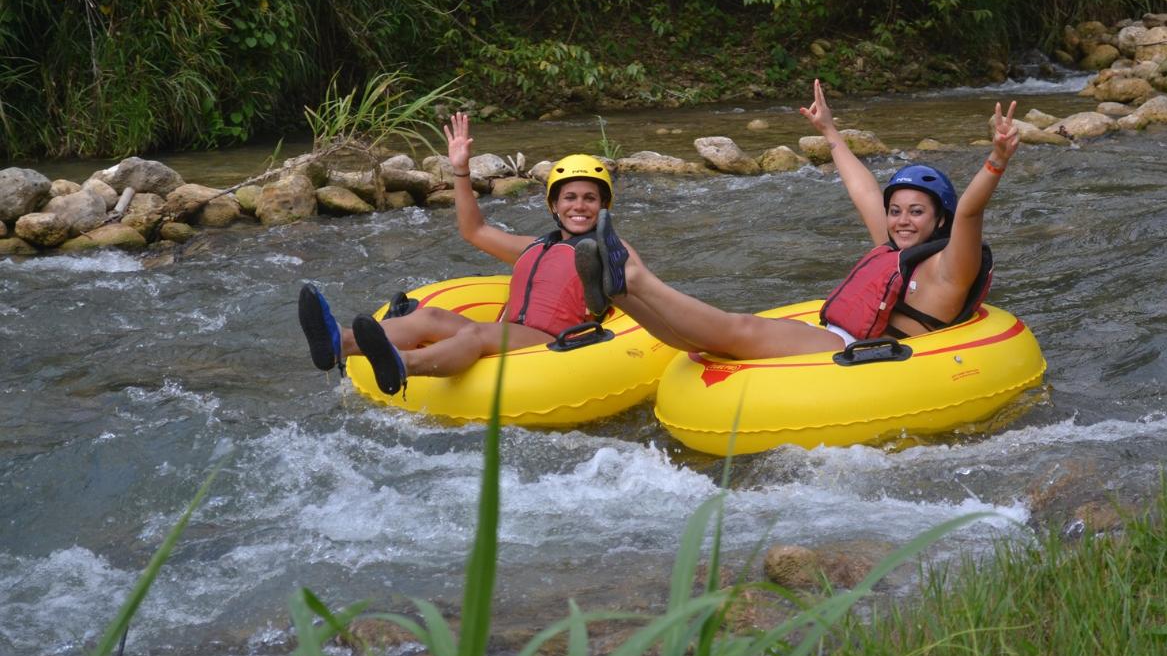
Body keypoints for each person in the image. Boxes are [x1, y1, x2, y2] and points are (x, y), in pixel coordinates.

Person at [574, 79, 1021, 359]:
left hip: (856, 353)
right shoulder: (895, 246)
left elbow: (970, 211)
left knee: (740, 329)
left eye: (917, 212)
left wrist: (996, 160)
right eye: (897, 211)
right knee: (705, 343)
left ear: (940, 221)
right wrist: (830, 132)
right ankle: (620, 292)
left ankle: (635, 276)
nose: (901, 220)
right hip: (837, 338)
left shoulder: (950, 268)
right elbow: (863, 188)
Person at [298, 111, 616, 395]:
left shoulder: (610, 248)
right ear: (554, 206)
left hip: (550, 342)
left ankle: (403, 364)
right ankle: (340, 341)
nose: (579, 205)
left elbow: (634, 282)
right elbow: (473, 231)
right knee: (430, 316)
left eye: (590, 198)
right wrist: (460, 171)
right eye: (569, 197)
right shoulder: (533, 246)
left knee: (474, 333)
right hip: (511, 331)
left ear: (603, 206)